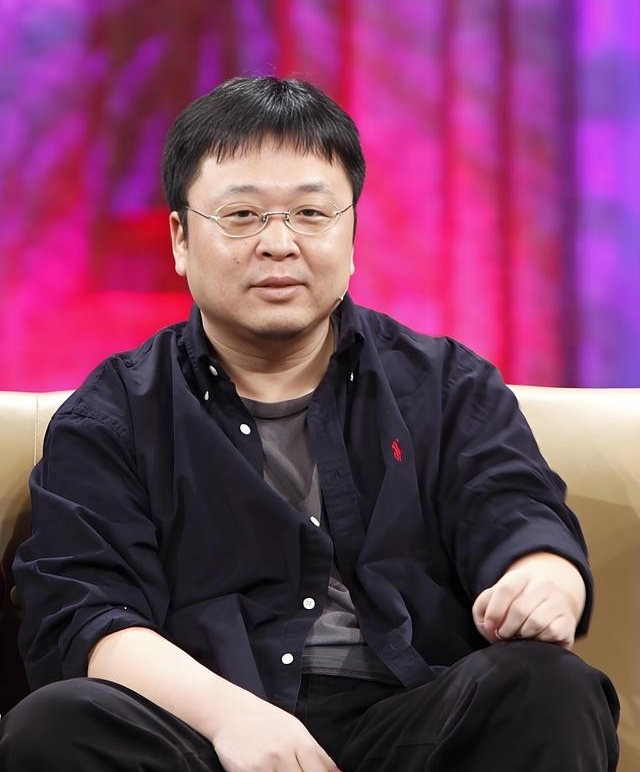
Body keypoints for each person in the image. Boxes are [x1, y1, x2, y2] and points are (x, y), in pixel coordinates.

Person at [0, 76, 619, 772]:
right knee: (53, 726)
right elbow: (85, 614)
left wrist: (545, 578)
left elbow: (514, 509)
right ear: (180, 238)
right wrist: (232, 719)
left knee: (552, 688)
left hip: (413, 723)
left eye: (310, 213)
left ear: (351, 234)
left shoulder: (446, 385)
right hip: (204, 737)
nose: (278, 243)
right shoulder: (112, 414)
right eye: (241, 215)